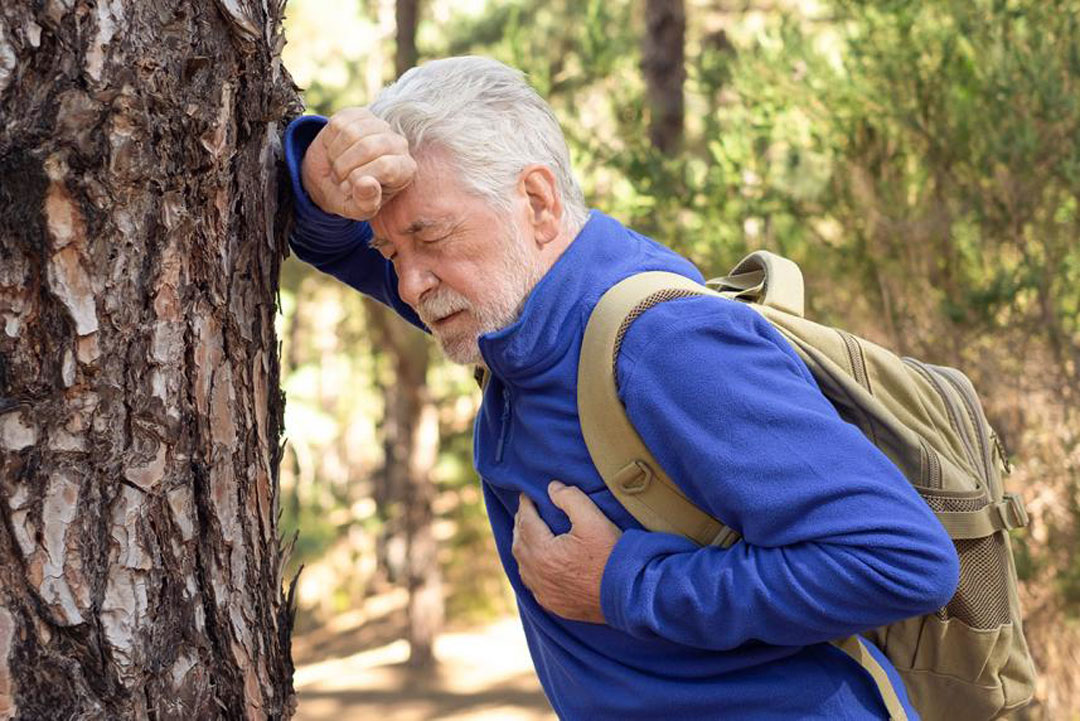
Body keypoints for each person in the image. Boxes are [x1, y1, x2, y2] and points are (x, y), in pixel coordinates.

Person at [283, 55, 959, 719]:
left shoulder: (666, 346)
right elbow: (334, 237)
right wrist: (320, 172)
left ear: (538, 202)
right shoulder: (510, 321)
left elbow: (900, 560)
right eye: (393, 253)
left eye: (430, 236)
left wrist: (623, 584)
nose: (409, 285)